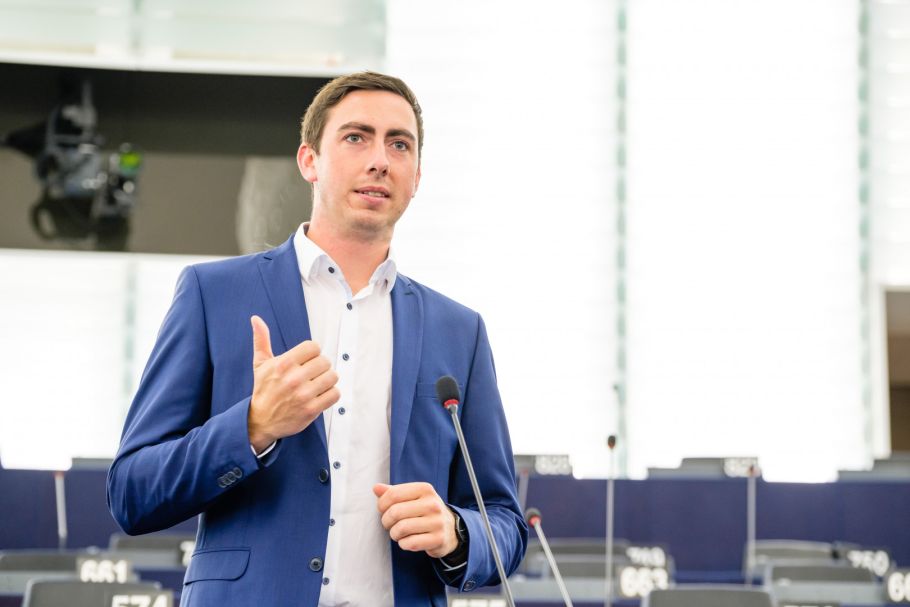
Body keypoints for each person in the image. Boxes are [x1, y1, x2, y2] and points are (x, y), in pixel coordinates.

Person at [107, 71, 527, 606]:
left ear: (417, 176)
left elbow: (504, 522)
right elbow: (132, 492)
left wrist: (456, 531)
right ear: (309, 161)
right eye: (356, 137)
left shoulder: (459, 332)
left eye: (399, 144)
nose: (380, 160)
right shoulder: (213, 294)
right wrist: (253, 426)